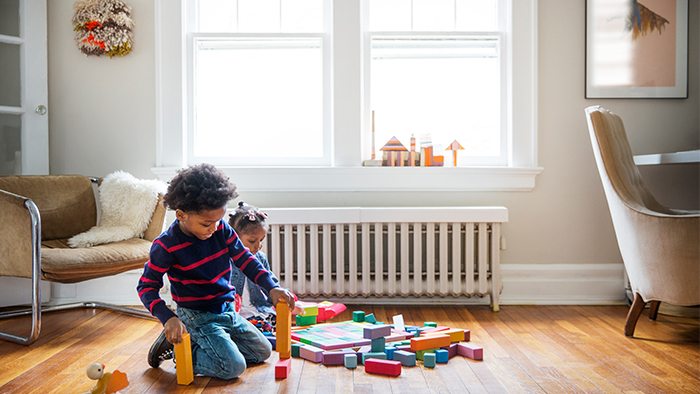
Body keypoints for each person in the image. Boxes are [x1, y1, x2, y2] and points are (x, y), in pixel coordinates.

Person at [137, 164, 295, 380]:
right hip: (197, 316)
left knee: (263, 351)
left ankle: (202, 343)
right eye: (206, 223)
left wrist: (272, 287)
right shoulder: (165, 246)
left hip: (227, 310)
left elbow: (246, 260)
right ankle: (179, 349)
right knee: (233, 367)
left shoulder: (221, 229)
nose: (213, 228)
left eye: (217, 221)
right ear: (181, 214)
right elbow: (147, 287)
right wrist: (168, 318)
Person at [228, 202, 283, 333]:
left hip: (259, 310)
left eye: (261, 240)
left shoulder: (260, 257)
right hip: (237, 313)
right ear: (234, 237)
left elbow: (270, 282)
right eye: (252, 241)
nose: (258, 246)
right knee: (260, 328)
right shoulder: (225, 260)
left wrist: (280, 299)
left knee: (278, 322)